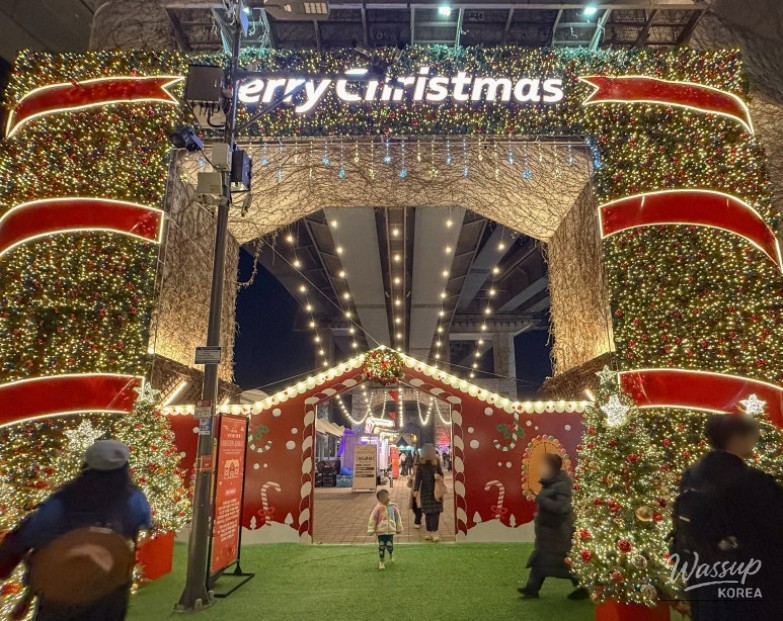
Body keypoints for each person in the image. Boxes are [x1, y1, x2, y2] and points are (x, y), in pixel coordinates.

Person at [0, 440, 152, 620]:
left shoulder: (64, 499)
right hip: (109, 585)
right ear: (124, 467)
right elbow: (143, 525)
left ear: (87, 464)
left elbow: (27, 534)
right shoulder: (134, 498)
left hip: (63, 588)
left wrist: (5, 566)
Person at [671, 414, 783, 621]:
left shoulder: (691, 475)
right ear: (738, 437)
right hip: (751, 586)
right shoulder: (753, 481)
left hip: (705, 581)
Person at [518, 453, 587, 600]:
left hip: (558, 533)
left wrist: (541, 499)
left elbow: (563, 507)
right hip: (549, 533)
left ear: (551, 468)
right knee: (540, 562)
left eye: (544, 466)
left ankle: (583, 587)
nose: (541, 469)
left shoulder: (561, 485)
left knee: (563, 563)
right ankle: (531, 589)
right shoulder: (550, 483)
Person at [413, 445, 444, 541]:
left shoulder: (436, 461)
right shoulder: (421, 463)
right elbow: (418, 477)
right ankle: (429, 531)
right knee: (427, 513)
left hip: (436, 491)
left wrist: (438, 476)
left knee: (435, 513)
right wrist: (416, 489)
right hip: (425, 491)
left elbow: (441, 473)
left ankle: (435, 532)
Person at [367, 488, 403, 570]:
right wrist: (371, 529)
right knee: (382, 546)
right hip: (381, 531)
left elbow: (397, 518)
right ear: (379, 499)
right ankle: (382, 561)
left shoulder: (393, 507)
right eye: (382, 497)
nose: (385, 498)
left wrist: (399, 528)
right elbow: (373, 519)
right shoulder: (377, 508)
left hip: (390, 531)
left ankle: (391, 553)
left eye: (386, 496)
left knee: (389, 545)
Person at [408, 455, 423, 529]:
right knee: (414, 507)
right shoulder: (413, 475)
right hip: (413, 494)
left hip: (420, 494)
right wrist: (410, 480)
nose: (414, 469)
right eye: (414, 468)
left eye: (416, 468)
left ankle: (417, 522)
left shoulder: (422, 475)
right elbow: (409, 485)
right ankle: (418, 519)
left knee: (419, 507)